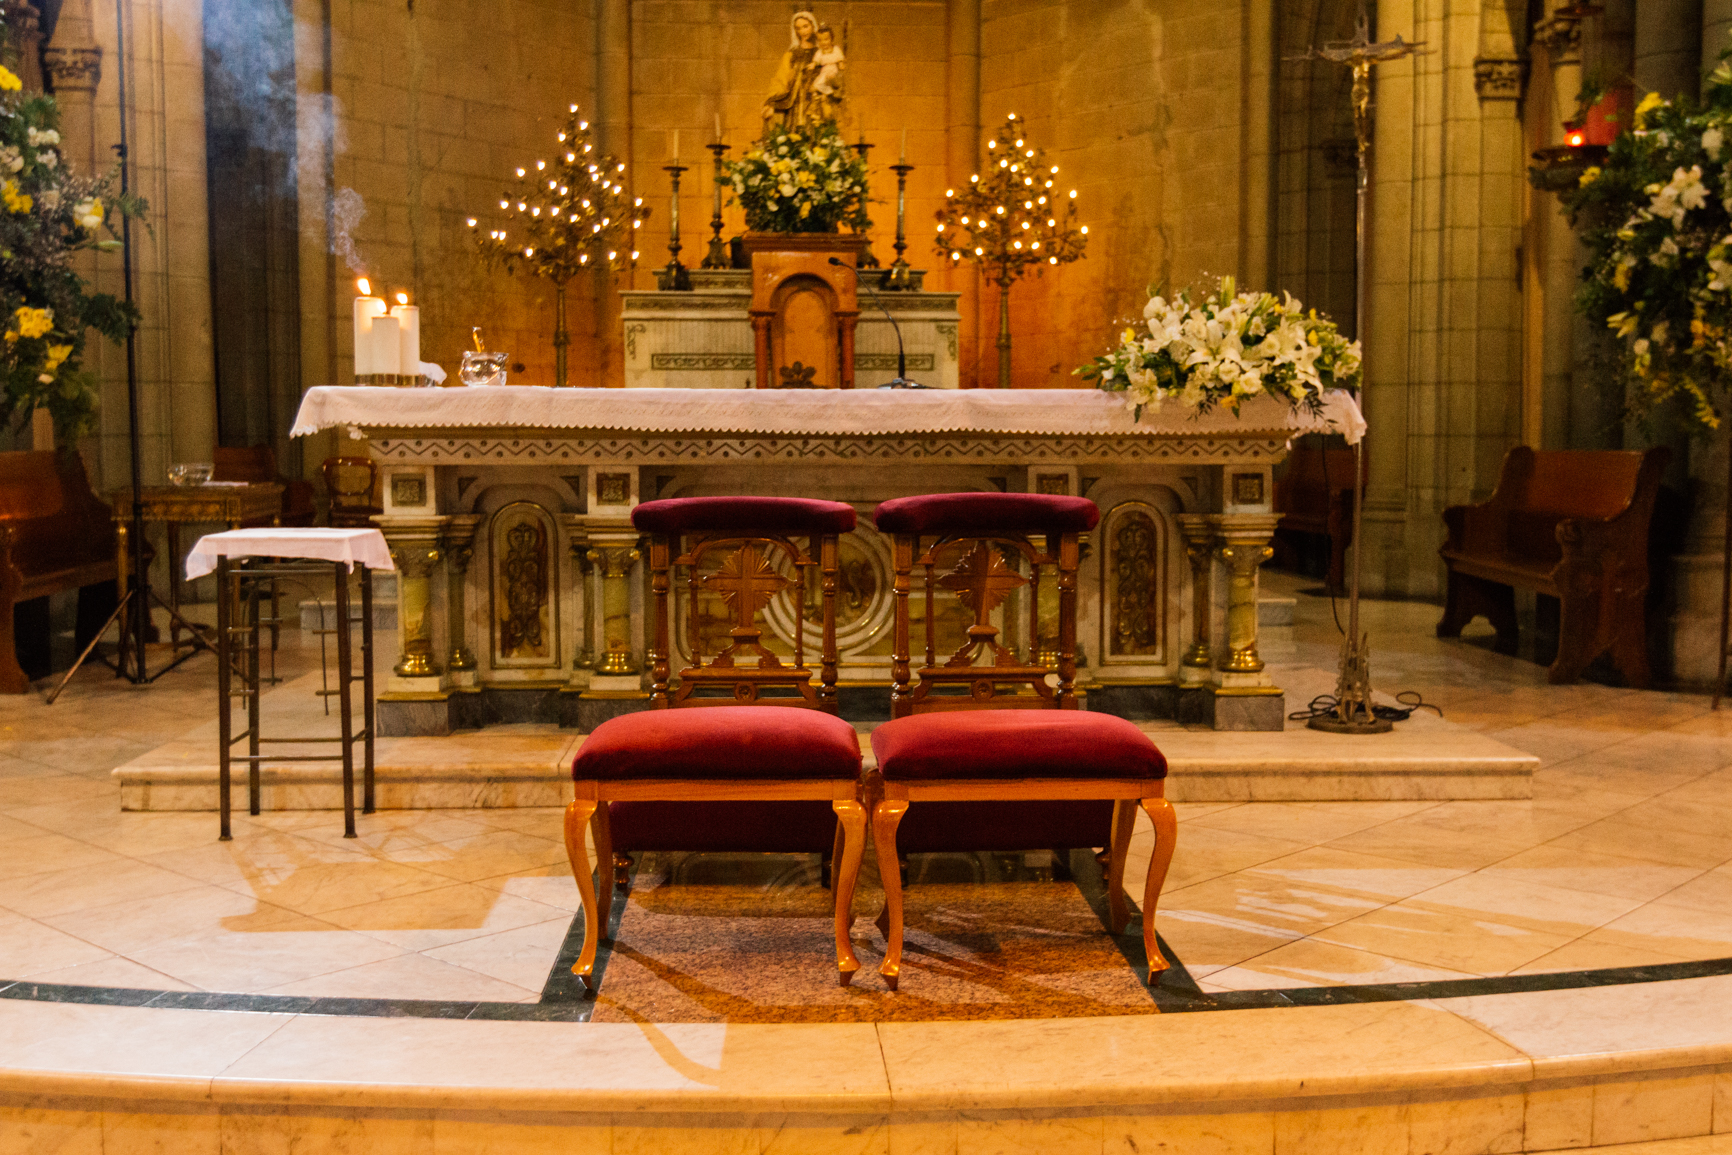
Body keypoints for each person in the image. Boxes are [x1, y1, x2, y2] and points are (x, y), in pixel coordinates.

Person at [762, 11, 821, 132]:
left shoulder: (820, 54)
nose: (802, 31)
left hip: (814, 100)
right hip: (794, 102)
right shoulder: (791, 55)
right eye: (798, 28)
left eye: (805, 26)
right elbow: (781, 80)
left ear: (813, 26)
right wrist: (771, 101)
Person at [810, 23, 846, 120]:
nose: (823, 42)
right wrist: (813, 64)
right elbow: (816, 60)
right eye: (820, 40)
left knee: (827, 81)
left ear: (831, 39)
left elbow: (840, 59)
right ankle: (816, 106)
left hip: (832, 70)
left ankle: (828, 94)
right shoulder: (819, 52)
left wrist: (841, 63)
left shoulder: (836, 49)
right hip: (824, 71)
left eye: (826, 39)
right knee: (815, 86)